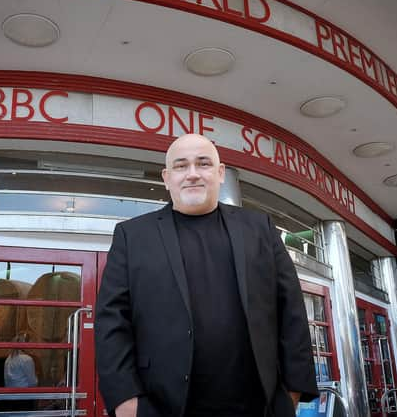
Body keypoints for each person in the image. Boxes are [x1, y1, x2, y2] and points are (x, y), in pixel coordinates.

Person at [95, 134, 318, 417]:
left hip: (259, 405)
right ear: (166, 177)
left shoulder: (260, 227)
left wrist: (292, 392)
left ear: (220, 173)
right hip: (162, 405)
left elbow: (291, 310)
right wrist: (125, 401)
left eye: (203, 163)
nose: (192, 174)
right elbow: (112, 320)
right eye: (180, 166)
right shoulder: (132, 235)